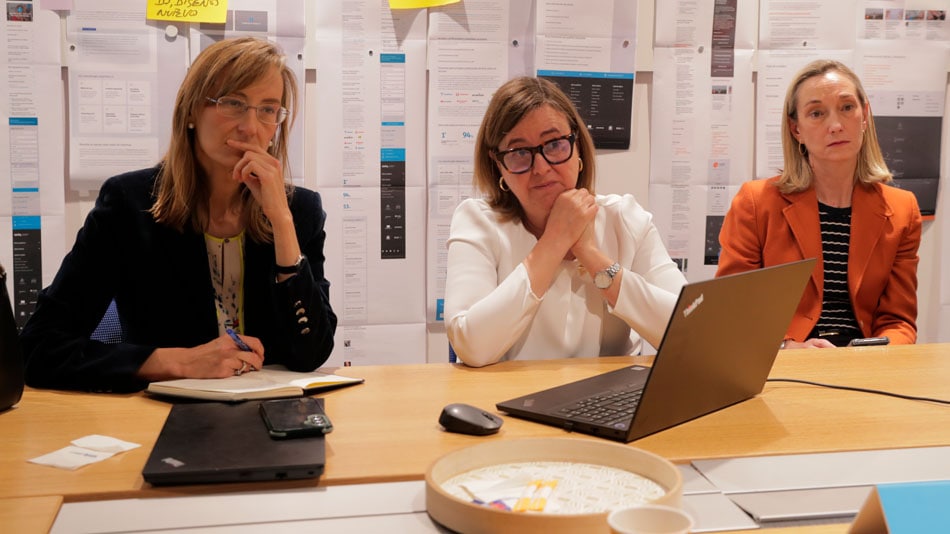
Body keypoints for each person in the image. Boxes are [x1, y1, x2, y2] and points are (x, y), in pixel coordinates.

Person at [20, 37, 337, 392]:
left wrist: (281, 222)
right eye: (233, 103)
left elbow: (311, 354)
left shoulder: (299, 211)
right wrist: (175, 362)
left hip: (272, 417)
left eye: (267, 109)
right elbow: (39, 348)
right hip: (166, 419)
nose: (251, 128)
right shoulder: (129, 205)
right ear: (190, 112)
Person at [444, 76, 686, 367]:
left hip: (606, 401)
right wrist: (555, 240)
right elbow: (472, 347)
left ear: (578, 147)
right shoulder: (478, 222)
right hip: (507, 401)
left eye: (555, 144)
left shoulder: (625, 219)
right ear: (498, 165)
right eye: (520, 153)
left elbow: (689, 333)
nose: (542, 168)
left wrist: (592, 256)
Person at [716, 59, 921, 349]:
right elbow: (732, 311)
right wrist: (789, 348)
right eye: (816, 113)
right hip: (786, 363)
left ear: (865, 115)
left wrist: (873, 353)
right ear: (796, 129)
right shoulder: (755, 202)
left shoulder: (902, 209)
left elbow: (898, 321)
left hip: (864, 364)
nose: (835, 125)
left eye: (847, 107)